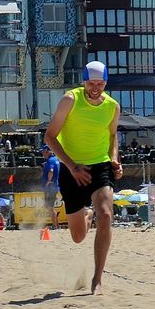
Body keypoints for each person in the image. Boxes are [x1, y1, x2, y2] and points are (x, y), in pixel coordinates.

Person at [42, 60, 121, 293]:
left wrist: (114, 159)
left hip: (100, 167)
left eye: (100, 84)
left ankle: (97, 279)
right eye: (91, 83)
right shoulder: (70, 100)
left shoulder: (112, 106)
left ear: (106, 83)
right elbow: (49, 137)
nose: (95, 88)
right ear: (83, 81)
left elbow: (113, 136)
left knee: (106, 215)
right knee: (77, 237)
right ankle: (87, 214)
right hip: (71, 169)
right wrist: (72, 165)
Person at [41, 146, 61, 223]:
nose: (43, 153)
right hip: (54, 186)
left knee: (49, 207)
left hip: (50, 187)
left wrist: (48, 181)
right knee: (49, 207)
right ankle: (56, 225)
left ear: (48, 151)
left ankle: (55, 225)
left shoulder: (50, 161)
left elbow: (51, 171)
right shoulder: (56, 159)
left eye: (44, 151)